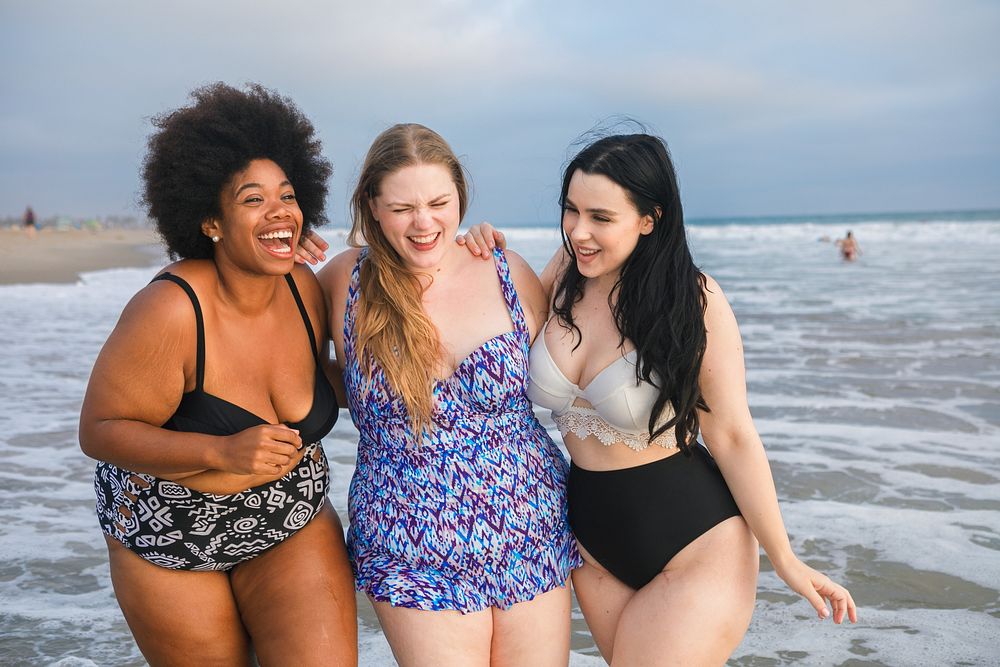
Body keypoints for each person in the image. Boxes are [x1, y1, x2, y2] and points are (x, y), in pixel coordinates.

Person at [460, 133, 857, 664]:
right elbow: (477, 329)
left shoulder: (694, 301)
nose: (580, 231)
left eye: (601, 217)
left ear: (649, 218)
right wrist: (474, 250)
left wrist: (785, 558)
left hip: (693, 543)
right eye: (571, 210)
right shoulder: (560, 277)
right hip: (591, 545)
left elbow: (733, 435)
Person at [78, 83, 357, 665]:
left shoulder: (305, 291)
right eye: (253, 200)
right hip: (168, 533)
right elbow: (100, 430)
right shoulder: (172, 309)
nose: (280, 211)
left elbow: (326, 380)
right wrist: (223, 451)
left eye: (287, 196)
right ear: (210, 220)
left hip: (289, 517)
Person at [317, 123, 580, 666]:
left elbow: (581, 358)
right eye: (401, 207)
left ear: (460, 195)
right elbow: (280, 356)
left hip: (527, 522)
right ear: (370, 205)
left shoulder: (505, 269)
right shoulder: (343, 281)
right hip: (408, 536)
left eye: (439, 202)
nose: (424, 223)